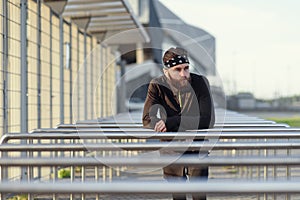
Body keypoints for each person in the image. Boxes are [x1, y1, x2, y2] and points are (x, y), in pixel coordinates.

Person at [142, 47, 215, 200]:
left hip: (197, 147)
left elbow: (208, 120)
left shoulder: (200, 82)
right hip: (171, 149)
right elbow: (147, 119)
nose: (184, 74)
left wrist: (170, 122)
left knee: (199, 196)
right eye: (178, 69)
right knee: (178, 197)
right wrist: (158, 123)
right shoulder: (157, 85)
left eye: (186, 68)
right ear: (166, 71)